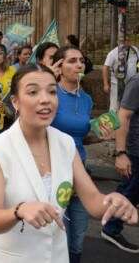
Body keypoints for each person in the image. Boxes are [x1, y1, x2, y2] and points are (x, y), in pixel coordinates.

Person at [0, 64, 138, 263]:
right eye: (33, 92)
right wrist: (18, 210)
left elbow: (93, 200)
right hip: (9, 256)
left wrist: (113, 202)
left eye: (52, 92)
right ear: (15, 102)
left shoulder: (65, 143)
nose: (45, 99)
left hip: (55, 254)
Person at [50, 46, 113, 262]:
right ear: (59, 66)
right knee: (58, 233)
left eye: (81, 61)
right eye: (72, 61)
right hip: (52, 171)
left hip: (80, 171)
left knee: (78, 234)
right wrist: (48, 79)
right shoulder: (50, 95)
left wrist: (100, 135)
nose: (79, 65)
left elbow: (82, 136)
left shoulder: (86, 99)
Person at [101, 71, 139, 253]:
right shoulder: (137, 82)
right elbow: (122, 116)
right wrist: (121, 153)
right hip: (135, 151)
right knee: (129, 191)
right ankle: (110, 228)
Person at [103, 40, 139, 112]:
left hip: (131, 84)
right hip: (116, 84)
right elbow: (105, 67)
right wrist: (105, 84)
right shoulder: (113, 53)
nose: (127, 42)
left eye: (128, 40)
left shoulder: (135, 50)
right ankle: (114, 120)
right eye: (124, 41)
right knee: (115, 104)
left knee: (129, 105)